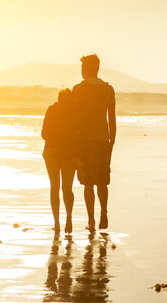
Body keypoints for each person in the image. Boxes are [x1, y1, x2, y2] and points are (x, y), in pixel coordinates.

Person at [72, 54, 116, 231]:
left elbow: (74, 118)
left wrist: (73, 141)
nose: (81, 71)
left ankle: (91, 220)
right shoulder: (108, 89)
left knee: (88, 182)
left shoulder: (79, 89)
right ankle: (103, 212)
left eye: (83, 68)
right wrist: (112, 140)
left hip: (84, 140)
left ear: (88, 68)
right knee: (102, 181)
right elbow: (111, 118)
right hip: (103, 139)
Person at [41, 88, 79, 234]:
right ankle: (69, 219)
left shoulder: (51, 109)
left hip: (52, 152)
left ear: (58, 98)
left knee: (54, 187)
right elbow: (79, 134)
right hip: (70, 154)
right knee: (67, 188)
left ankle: (57, 223)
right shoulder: (75, 112)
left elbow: (44, 134)